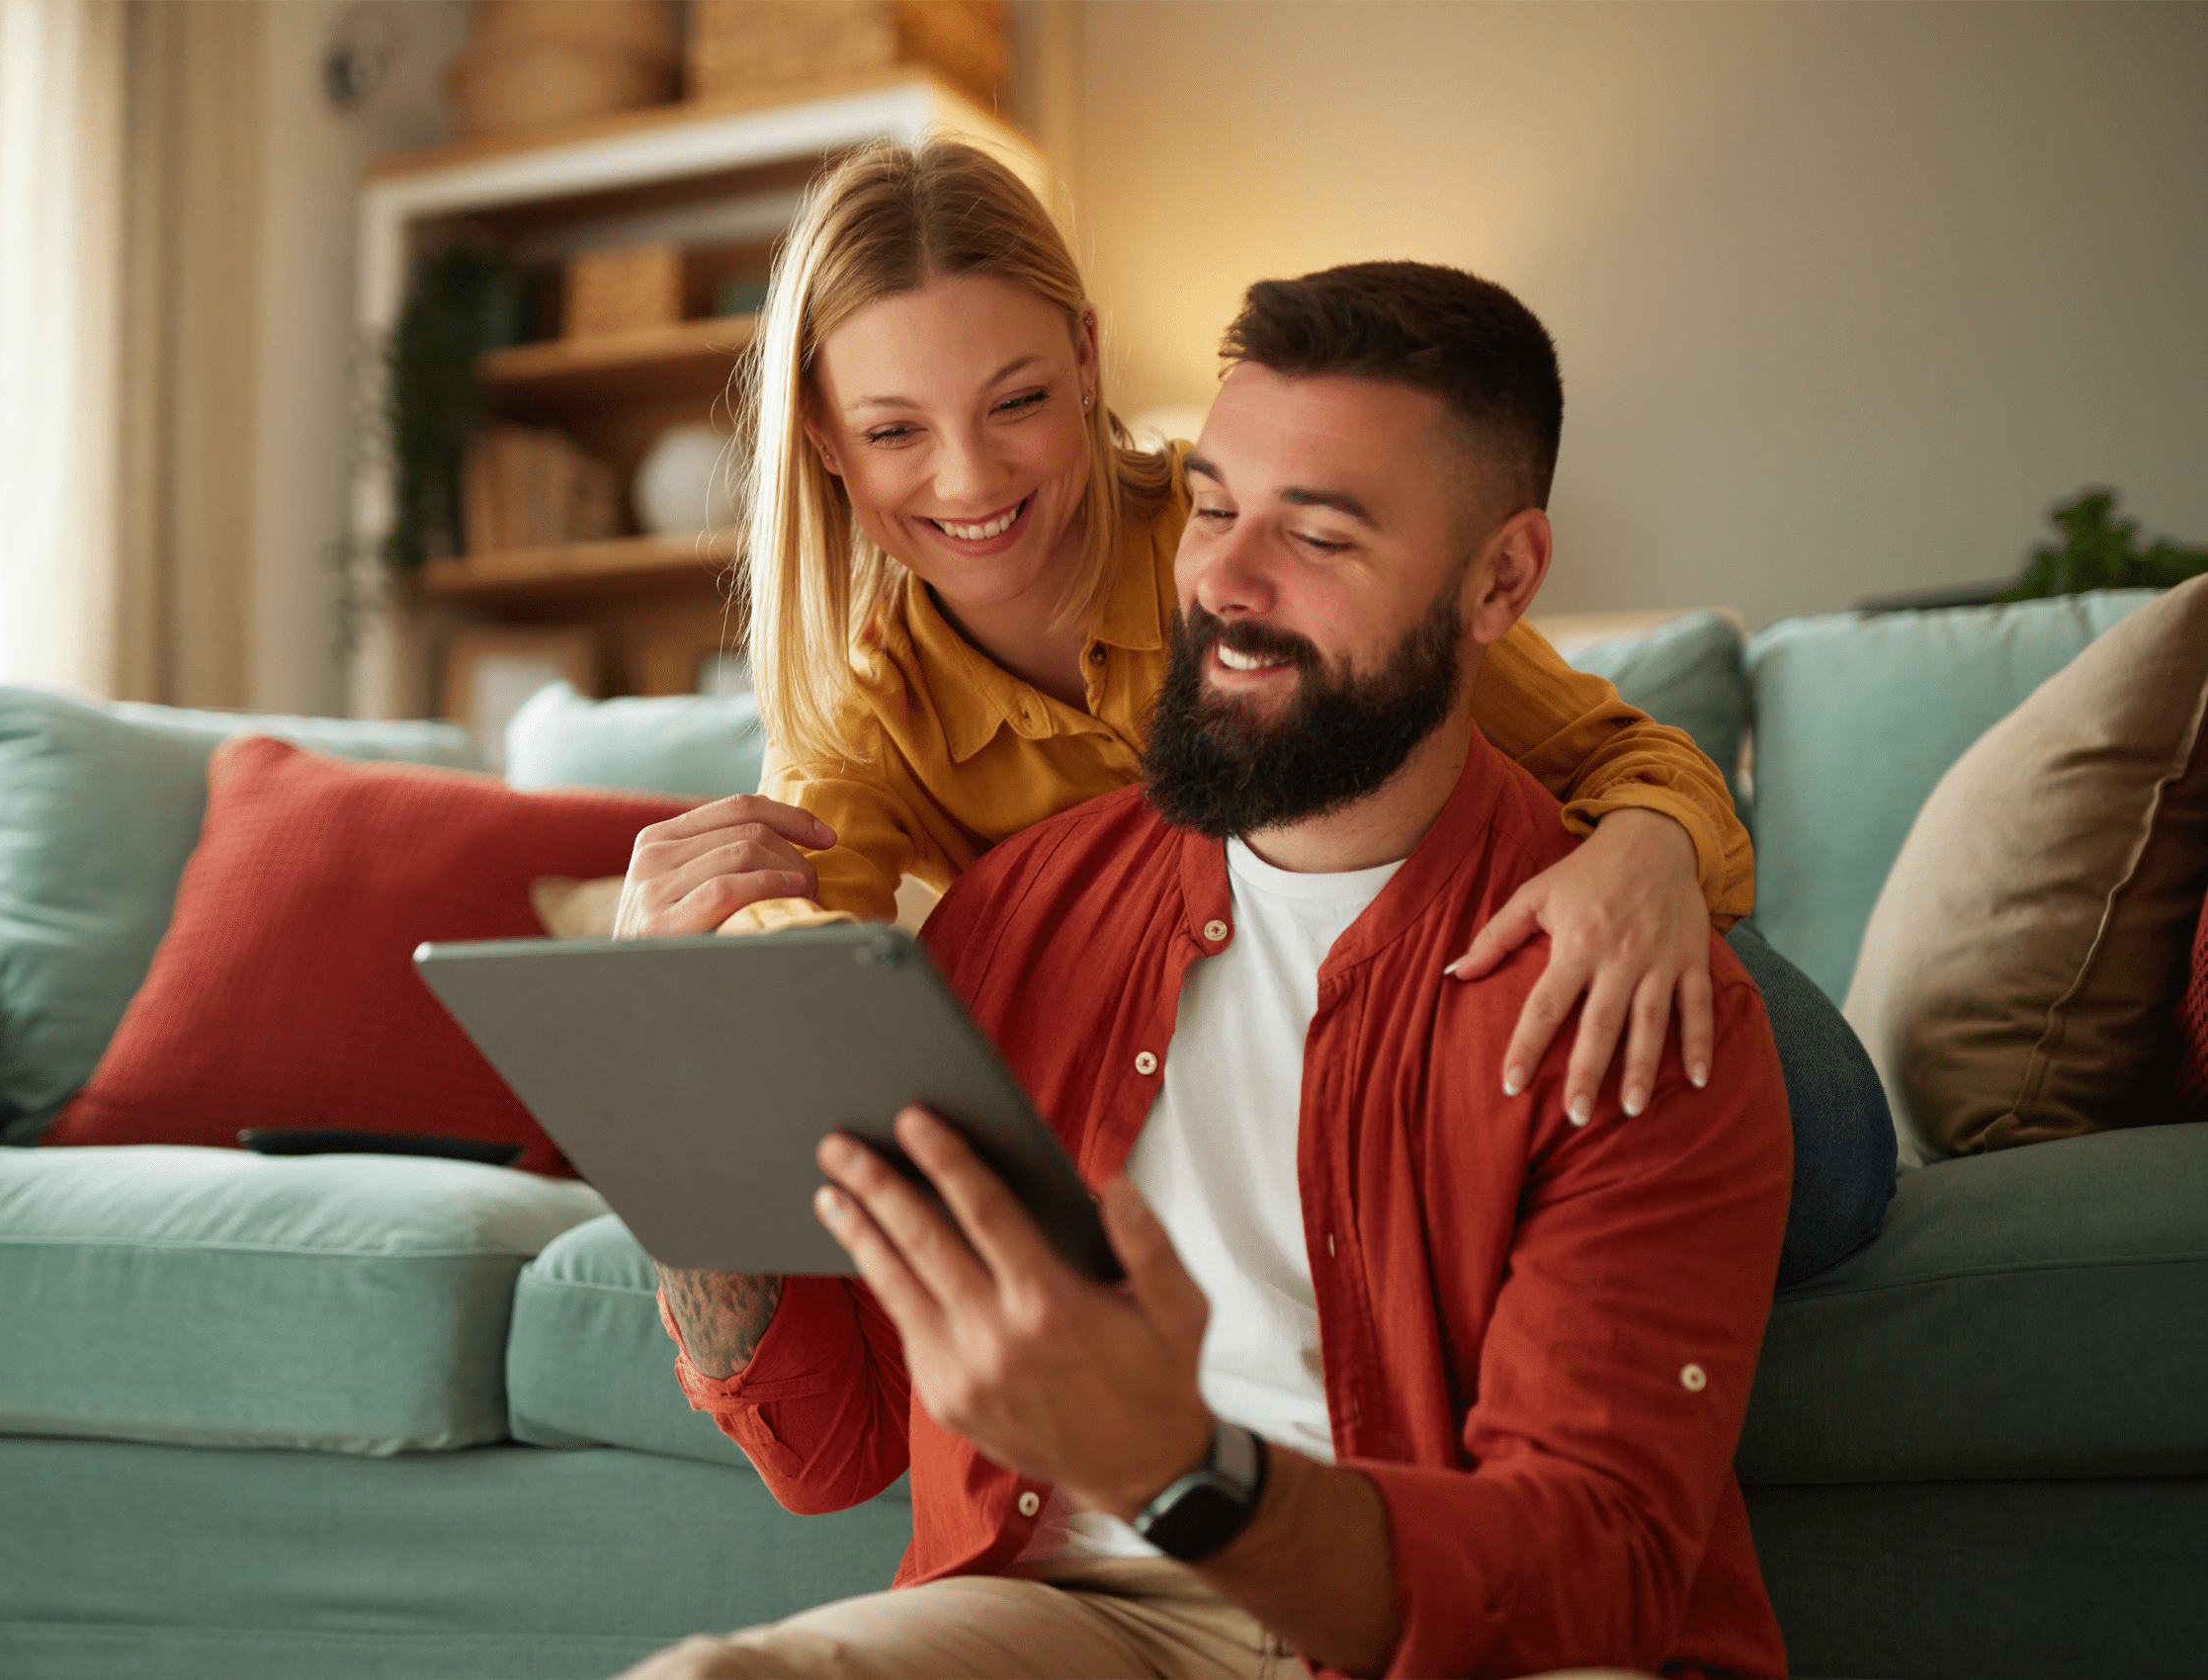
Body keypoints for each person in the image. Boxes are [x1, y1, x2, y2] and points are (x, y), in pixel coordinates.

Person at [624, 262, 1791, 1679]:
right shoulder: (1009, 921)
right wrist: (658, 1067)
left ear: (1499, 580)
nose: (1223, 581)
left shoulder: (1625, 989)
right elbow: (832, 1446)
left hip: (1427, 1637)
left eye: (1322, 535)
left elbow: (1588, 1581)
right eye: (1216, 507)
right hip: (1067, 1617)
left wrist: (1185, 1467)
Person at [618, 135, 1745, 1135]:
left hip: (1475, 1000)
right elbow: (809, 973)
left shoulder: (1244, 555)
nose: (969, 478)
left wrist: (1650, 849)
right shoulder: (862, 703)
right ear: (824, 438)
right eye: (894, 429)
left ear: (1086, 358)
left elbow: (1635, 763)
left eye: (1016, 402)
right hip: (1222, 1101)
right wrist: (689, 969)